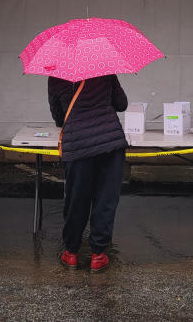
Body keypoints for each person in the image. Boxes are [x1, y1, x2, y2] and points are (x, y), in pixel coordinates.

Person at [48, 74, 129, 273]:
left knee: (76, 199)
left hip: (78, 145)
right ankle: (98, 255)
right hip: (110, 144)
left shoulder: (57, 74)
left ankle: (71, 253)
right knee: (105, 200)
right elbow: (122, 103)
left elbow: (57, 113)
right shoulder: (104, 69)